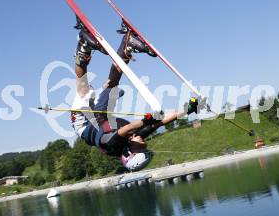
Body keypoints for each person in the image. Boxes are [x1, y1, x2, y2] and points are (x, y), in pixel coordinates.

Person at [70, 29, 199, 171]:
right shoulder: (135, 138)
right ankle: (127, 45)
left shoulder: (112, 145)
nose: (144, 142)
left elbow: (125, 129)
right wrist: (189, 109)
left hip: (83, 121)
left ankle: (83, 45)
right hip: (101, 118)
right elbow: (163, 121)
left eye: (142, 146)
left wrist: (144, 120)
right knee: (111, 85)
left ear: (129, 152)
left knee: (84, 90)